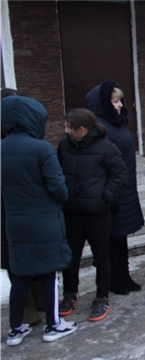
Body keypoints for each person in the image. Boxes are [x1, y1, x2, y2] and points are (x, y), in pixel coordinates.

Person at [2, 95, 77, 345]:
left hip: (15, 222)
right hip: (44, 221)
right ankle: (53, 325)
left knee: (20, 275)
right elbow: (59, 189)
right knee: (48, 273)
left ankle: (15, 329)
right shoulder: (41, 148)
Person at [58, 108, 128, 322]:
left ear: (82, 129)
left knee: (101, 257)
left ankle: (101, 297)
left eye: (69, 126)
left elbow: (120, 175)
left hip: (98, 213)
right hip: (72, 212)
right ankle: (70, 295)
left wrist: (104, 198)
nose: (65, 130)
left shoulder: (106, 147)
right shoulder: (64, 146)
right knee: (71, 258)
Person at [86, 80, 145, 295]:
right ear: (103, 104)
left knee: (121, 238)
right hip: (113, 193)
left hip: (125, 189)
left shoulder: (117, 124)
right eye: (115, 101)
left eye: (120, 100)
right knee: (111, 240)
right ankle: (113, 280)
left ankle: (124, 275)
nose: (120, 105)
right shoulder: (101, 128)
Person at [1, 88, 44, 328]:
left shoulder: (31, 136)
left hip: (29, 204)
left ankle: (39, 299)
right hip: (6, 208)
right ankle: (26, 305)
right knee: (12, 255)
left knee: (33, 250)